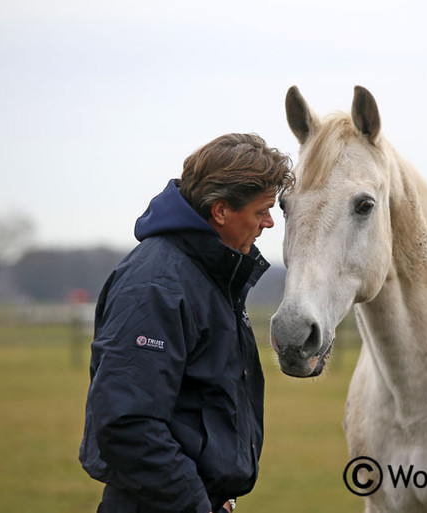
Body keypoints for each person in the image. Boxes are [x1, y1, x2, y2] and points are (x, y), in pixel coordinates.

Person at [79, 133, 294, 513]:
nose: (269, 222)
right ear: (222, 211)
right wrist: (195, 505)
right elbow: (127, 424)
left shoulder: (209, 274)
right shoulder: (156, 285)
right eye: (262, 209)